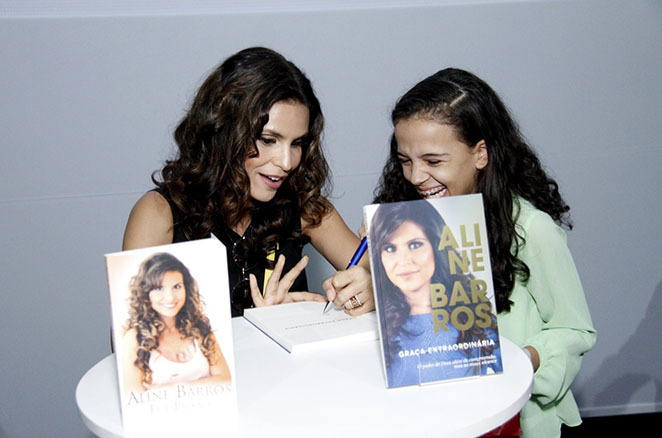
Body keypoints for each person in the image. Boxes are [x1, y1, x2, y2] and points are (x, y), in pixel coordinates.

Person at [374, 68, 596, 438]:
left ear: (481, 153)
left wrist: (527, 357)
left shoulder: (532, 230)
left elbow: (575, 328)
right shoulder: (409, 231)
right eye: (405, 160)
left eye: (434, 161)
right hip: (439, 433)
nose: (416, 176)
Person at [123, 47, 372, 317]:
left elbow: (404, 288)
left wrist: (372, 288)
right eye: (268, 140)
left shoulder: (304, 206)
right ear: (225, 133)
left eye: (297, 143)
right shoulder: (159, 213)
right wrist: (259, 326)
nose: (287, 162)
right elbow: (131, 342)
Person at [369, 199, 501, 387]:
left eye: (415, 245)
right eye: (390, 248)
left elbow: (504, 383)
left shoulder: (472, 315)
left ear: (437, 246)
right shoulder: (379, 323)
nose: (404, 260)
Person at [123, 252, 231, 391]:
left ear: (186, 289)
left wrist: (175, 387)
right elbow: (134, 396)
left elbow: (225, 380)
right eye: (159, 288)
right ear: (145, 292)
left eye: (177, 287)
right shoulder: (135, 337)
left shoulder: (200, 329)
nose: (170, 297)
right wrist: (204, 383)